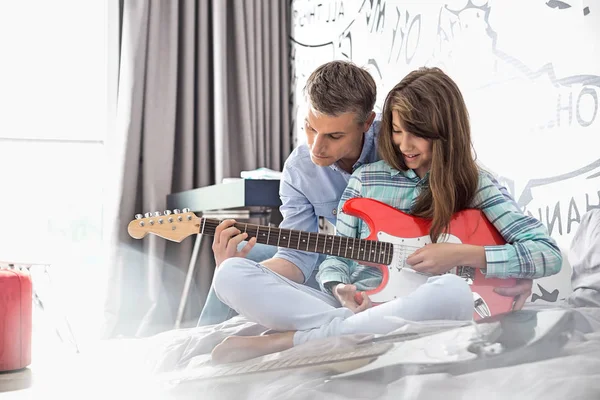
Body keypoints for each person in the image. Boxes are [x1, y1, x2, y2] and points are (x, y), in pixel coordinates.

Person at [209, 66, 562, 363]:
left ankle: (295, 341)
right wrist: (340, 288)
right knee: (230, 275)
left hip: (425, 301)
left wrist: (464, 255)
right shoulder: (366, 179)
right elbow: (334, 258)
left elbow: (547, 254)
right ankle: (352, 333)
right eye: (396, 132)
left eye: (417, 134)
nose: (404, 145)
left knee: (453, 292)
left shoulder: (475, 183)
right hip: (360, 308)